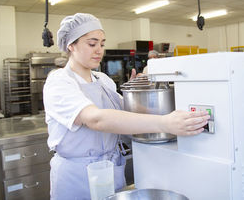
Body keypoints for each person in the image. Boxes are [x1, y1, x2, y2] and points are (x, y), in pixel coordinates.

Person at [43, 13, 209, 200]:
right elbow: (95, 119)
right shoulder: (58, 82)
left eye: (102, 44)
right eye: (92, 44)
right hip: (77, 178)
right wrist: (164, 123)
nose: (99, 50)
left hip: (111, 169)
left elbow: (125, 115)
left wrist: (137, 93)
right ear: (71, 45)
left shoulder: (103, 80)